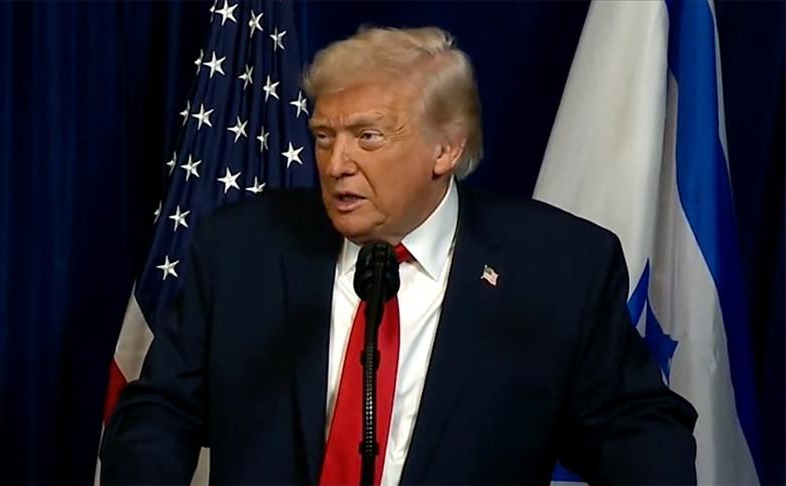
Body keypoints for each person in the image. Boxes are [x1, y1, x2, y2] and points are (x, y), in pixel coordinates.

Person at [101, 27, 697, 484]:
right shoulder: (241, 249)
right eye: (324, 137)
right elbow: (159, 412)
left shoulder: (557, 268)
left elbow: (635, 430)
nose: (336, 165)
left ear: (446, 149)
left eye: (368, 137)